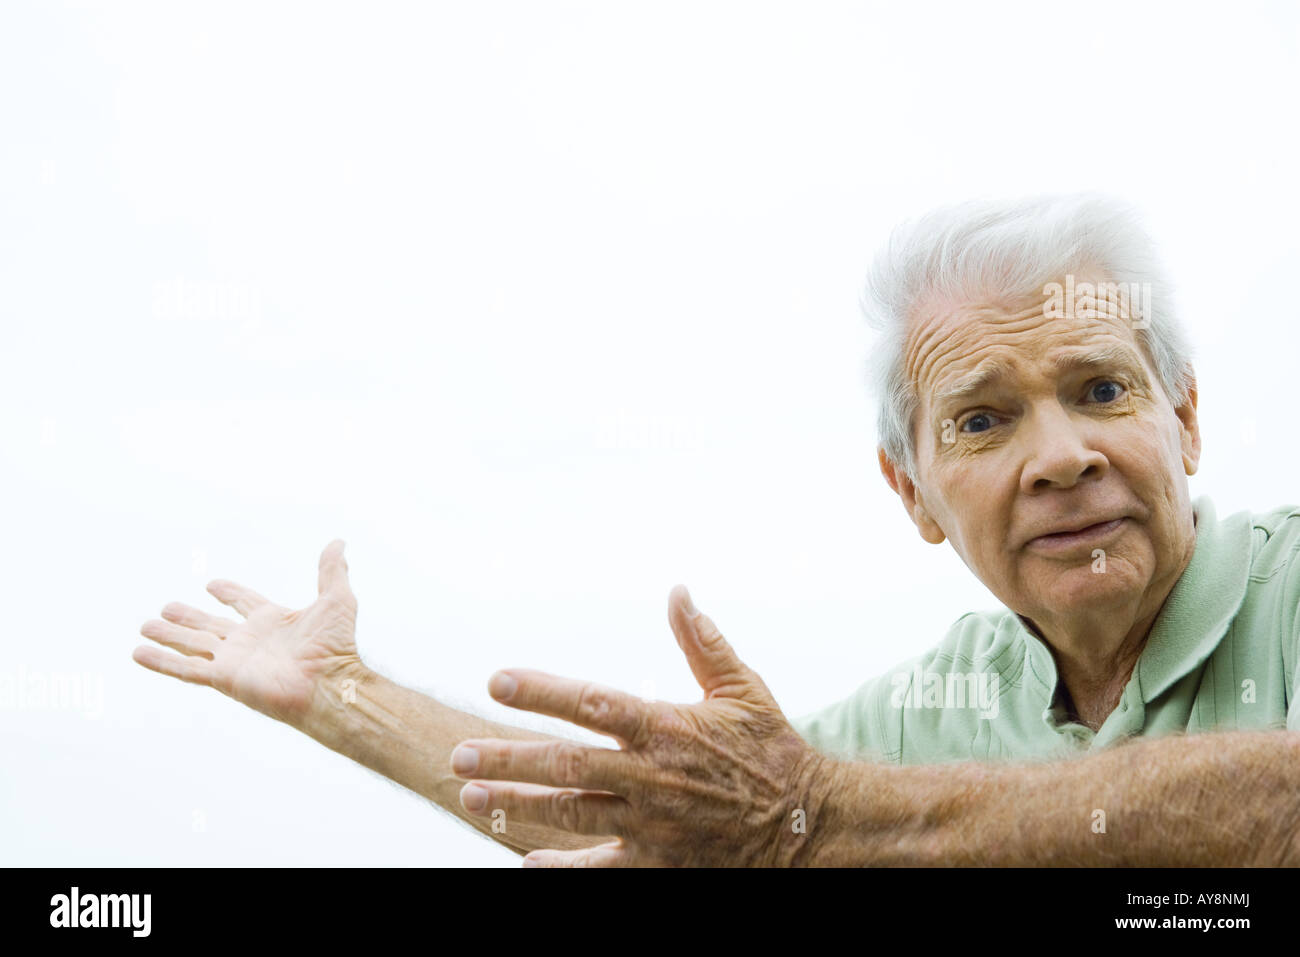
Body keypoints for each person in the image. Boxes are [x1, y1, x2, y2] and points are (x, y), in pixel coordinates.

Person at [134, 193, 1300, 866]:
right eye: (985, 419)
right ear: (913, 497)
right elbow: (672, 832)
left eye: (1101, 391)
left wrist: (825, 818)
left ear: (1183, 421)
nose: (1061, 457)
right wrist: (343, 699)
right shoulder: (938, 703)